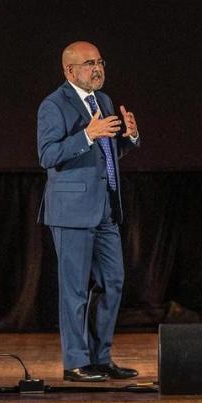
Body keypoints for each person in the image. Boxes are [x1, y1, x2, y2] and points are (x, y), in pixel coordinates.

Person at [37, 41, 140, 382]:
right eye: (89, 63)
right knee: (75, 290)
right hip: (71, 211)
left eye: (100, 62)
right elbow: (47, 155)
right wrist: (87, 134)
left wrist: (129, 138)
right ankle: (75, 363)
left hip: (105, 208)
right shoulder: (53, 105)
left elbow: (104, 157)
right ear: (69, 71)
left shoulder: (104, 101)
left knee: (113, 282)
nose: (97, 69)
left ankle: (101, 357)